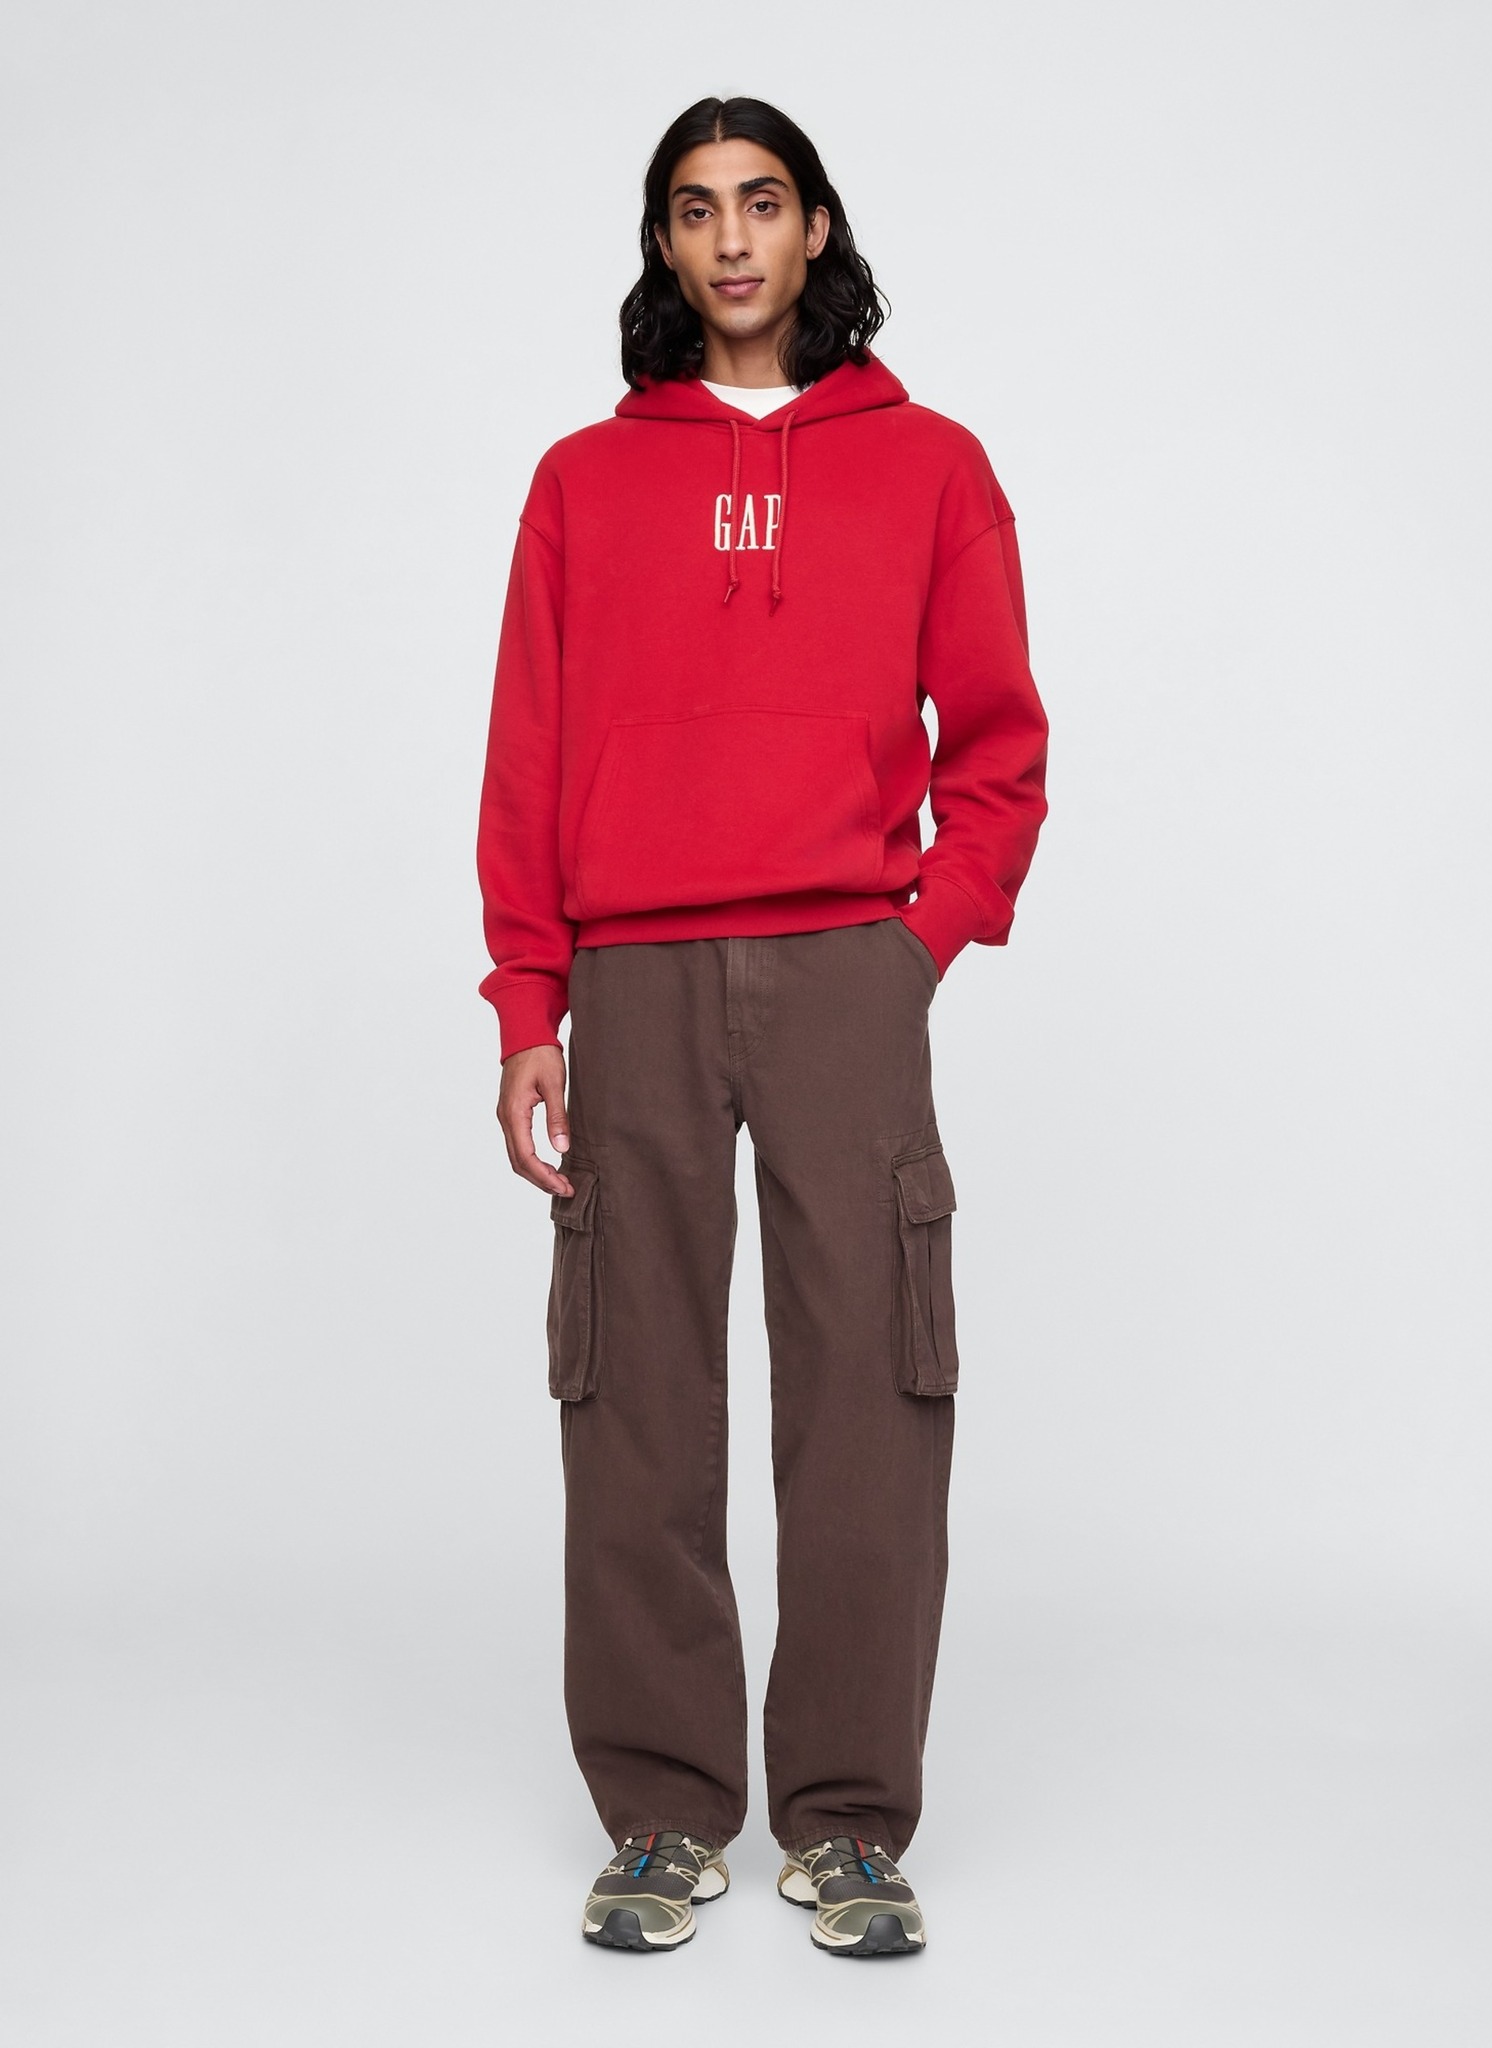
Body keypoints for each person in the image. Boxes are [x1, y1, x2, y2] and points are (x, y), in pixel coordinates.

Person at [475, 94, 1049, 1958]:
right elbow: (530, 751)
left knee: (871, 1392)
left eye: (763, 202)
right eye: (694, 208)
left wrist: (916, 943)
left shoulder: (932, 467)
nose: (730, 238)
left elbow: (1001, 745)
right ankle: (661, 1811)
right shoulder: (584, 481)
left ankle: (852, 1819)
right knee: (633, 1393)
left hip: (841, 971)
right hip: (633, 974)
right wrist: (531, 997)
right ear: (663, 243)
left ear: (815, 229)